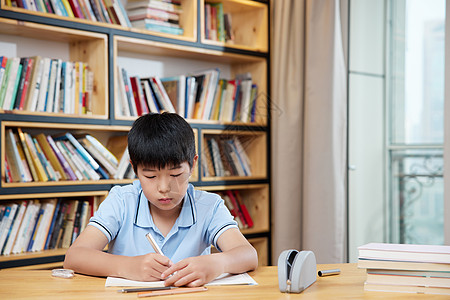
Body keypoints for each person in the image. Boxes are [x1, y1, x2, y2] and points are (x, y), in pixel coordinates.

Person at [63, 112, 258, 287]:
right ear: (135, 168)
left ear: (192, 165)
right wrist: (129, 266)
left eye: (175, 174)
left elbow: (248, 255)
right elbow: (75, 256)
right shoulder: (122, 201)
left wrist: (216, 263)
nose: (164, 188)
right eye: (150, 176)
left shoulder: (209, 206)